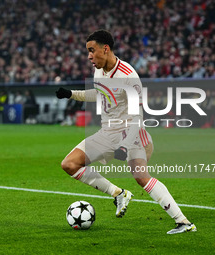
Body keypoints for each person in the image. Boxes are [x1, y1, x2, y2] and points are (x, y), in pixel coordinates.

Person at [56, 30, 196, 234]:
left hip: (131, 132)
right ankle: (118, 194)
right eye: (88, 51)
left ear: (105, 49)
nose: (89, 56)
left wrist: (124, 145)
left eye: (91, 51)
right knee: (69, 164)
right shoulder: (99, 70)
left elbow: (138, 118)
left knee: (140, 176)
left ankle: (184, 222)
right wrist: (71, 94)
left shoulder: (128, 76)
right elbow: (101, 94)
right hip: (108, 132)